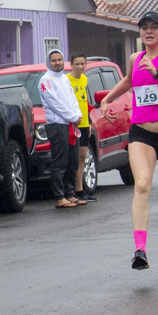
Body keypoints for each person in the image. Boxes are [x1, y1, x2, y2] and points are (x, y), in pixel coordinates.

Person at [98, 11, 158, 270]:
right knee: (141, 185)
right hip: (141, 132)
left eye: (154, 27)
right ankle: (140, 250)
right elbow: (129, 81)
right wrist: (107, 99)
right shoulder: (135, 58)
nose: (148, 32)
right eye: (144, 28)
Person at [38, 49, 83, 208]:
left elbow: (72, 99)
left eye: (59, 60)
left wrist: (78, 115)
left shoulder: (65, 78)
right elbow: (55, 104)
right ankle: (59, 196)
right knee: (60, 162)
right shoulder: (46, 80)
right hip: (57, 126)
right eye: (54, 60)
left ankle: (69, 193)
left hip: (71, 125)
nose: (57, 63)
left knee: (72, 161)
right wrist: (72, 117)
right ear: (48, 62)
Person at [67, 52, 97, 203]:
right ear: (71, 64)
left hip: (85, 124)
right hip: (73, 124)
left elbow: (85, 102)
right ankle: (72, 190)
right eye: (77, 64)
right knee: (73, 158)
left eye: (82, 64)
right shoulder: (67, 80)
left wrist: (89, 122)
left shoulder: (84, 79)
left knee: (82, 157)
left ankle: (80, 190)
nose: (80, 67)